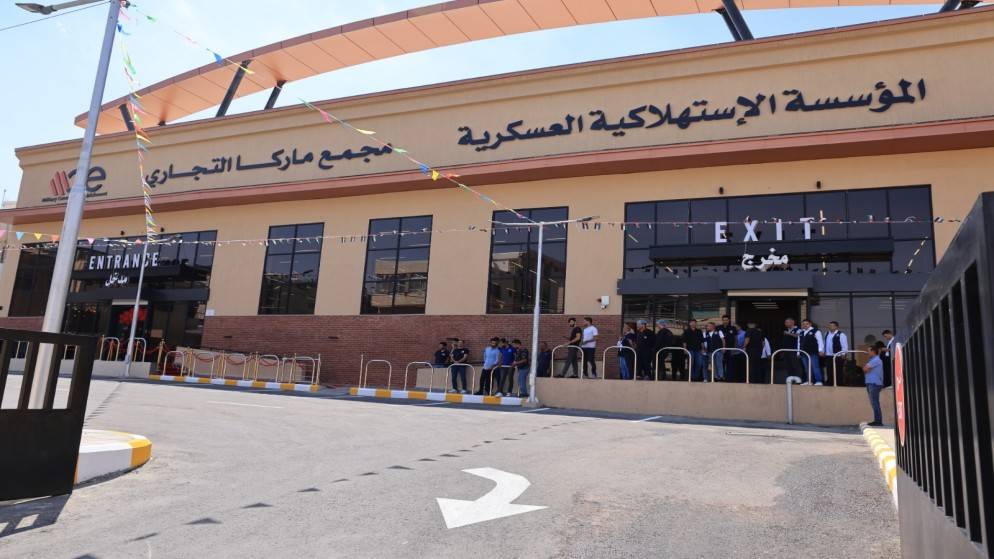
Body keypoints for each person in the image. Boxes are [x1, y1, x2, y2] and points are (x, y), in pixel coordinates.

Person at [863, 345, 885, 426]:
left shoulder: (876, 360)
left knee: (875, 402)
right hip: (871, 383)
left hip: (874, 383)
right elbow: (866, 369)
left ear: (873, 351)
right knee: (874, 402)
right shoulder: (872, 360)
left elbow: (865, 369)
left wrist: (866, 368)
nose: (867, 352)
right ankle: (877, 420)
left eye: (868, 351)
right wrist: (866, 368)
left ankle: (878, 421)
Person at [798, 318, 825, 385]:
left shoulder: (816, 331)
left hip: (813, 352)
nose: (805, 325)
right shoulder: (801, 332)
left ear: (810, 324)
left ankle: (819, 381)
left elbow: (820, 341)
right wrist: (798, 352)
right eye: (803, 324)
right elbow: (798, 343)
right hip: (803, 352)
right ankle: (809, 381)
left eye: (806, 324)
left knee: (815, 367)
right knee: (806, 368)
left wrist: (821, 350)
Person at [824, 321, 849, 386]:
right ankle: (830, 382)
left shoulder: (841, 334)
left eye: (832, 325)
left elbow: (844, 345)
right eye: (829, 325)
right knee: (829, 370)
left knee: (838, 370)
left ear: (836, 327)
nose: (830, 327)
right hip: (828, 355)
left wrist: (843, 354)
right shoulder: (826, 333)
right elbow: (825, 343)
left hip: (838, 355)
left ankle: (839, 383)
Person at [780, 318, 801, 383]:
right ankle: (790, 380)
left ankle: (798, 380)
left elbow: (798, 336)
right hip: (786, 351)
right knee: (788, 366)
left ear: (792, 322)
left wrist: (789, 333)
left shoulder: (798, 329)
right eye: (785, 322)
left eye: (787, 322)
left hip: (794, 351)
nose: (786, 324)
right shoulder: (787, 330)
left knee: (796, 366)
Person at [719, 315, 737, 381]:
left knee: (730, 364)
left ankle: (730, 378)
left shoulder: (733, 328)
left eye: (726, 320)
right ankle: (721, 377)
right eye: (724, 320)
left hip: (730, 349)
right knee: (721, 364)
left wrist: (734, 348)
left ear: (729, 320)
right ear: (722, 320)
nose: (725, 321)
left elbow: (736, 338)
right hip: (721, 349)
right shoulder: (719, 327)